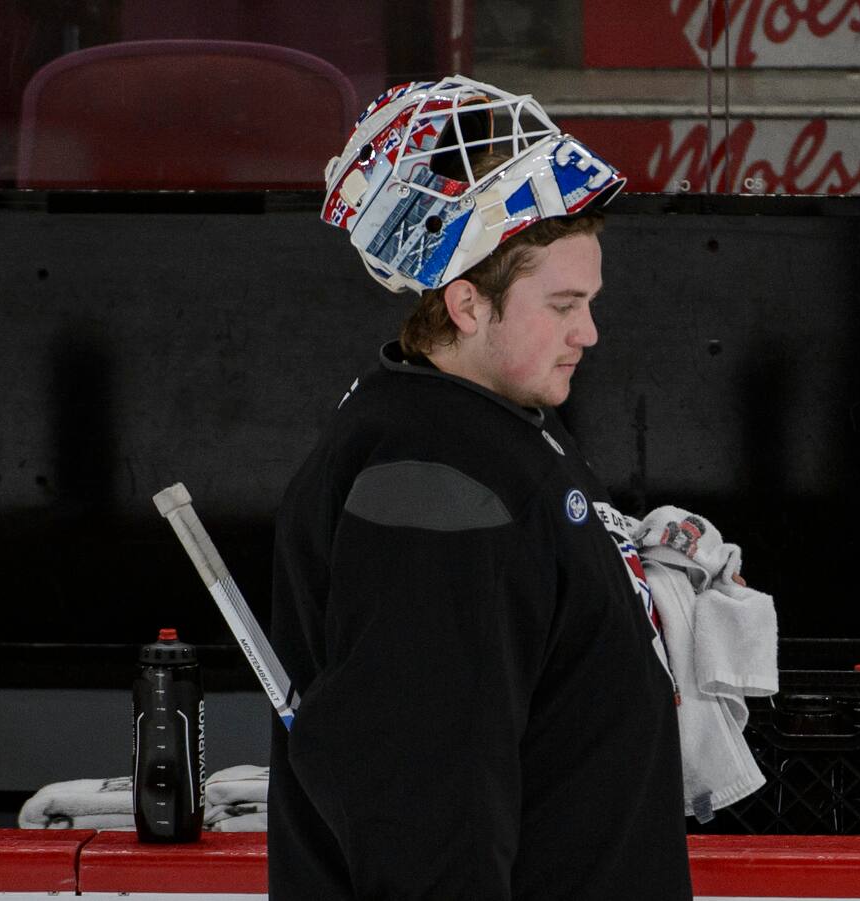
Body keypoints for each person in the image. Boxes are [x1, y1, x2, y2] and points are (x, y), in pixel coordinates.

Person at [267, 76, 692, 900]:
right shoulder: (433, 490)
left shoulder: (485, 429)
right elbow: (428, 824)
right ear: (466, 303)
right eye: (563, 304)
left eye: (589, 302)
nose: (588, 331)